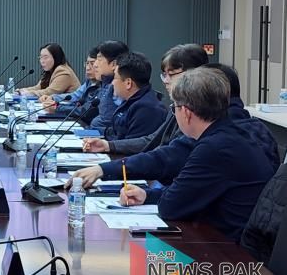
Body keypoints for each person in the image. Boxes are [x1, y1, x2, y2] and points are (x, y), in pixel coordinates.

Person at [119, 68, 274, 242]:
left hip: (225, 247)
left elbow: (170, 207)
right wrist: (147, 196)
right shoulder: (230, 135)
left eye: (174, 108)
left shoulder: (215, 148)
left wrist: (155, 196)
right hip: (223, 237)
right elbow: (185, 193)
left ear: (186, 112)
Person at [71, 61, 279, 188]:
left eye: (172, 74)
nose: (167, 81)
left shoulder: (213, 130)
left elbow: (168, 160)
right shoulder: (251, 127)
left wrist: (106, 168)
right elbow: (160, 148)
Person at [82, 44, 208, 155]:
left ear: (194, 74)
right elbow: (152, 140)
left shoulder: (150, 108)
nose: (165, 81)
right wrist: (108, 145)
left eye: (171, 74)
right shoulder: (175, 107)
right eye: (164, 75)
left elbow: (168, 154)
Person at [103, 52, 167, 140]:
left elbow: (132, 145)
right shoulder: (131, 100)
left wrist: (107, 145)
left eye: (115, 78)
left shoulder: (147, 109)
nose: (112, 83)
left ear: (128, 83)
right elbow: (116, 132)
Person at [39, 47, 101, 122]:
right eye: (87, 63)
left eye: (92, 64)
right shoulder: (90, 81)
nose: (88, 68)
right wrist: (53, 98)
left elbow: (86, 110)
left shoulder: (63, 71)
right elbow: (76, 95)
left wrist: (57, 107)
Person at [87, 40, 129, 133]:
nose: (95, 65)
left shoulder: (117, 87)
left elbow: (107, 122)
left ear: (114, 64)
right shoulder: (105, 82)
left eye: (99, 59)